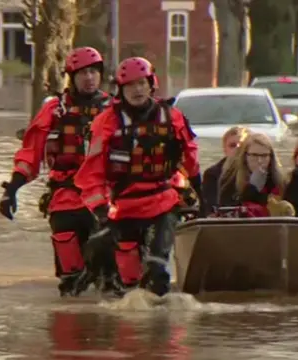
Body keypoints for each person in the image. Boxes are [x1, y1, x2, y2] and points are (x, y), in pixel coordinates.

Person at [73, 56, 201, 297]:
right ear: (121, 90)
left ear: (152, 84)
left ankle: (158, 325)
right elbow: (92, 172)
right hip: (124, 205)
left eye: (142, 83)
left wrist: (200, 192)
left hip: (163, 201)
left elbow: (191, 159)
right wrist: (100, 210)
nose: (137, 90)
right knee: (122, 276)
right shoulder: (106, 122)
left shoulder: (172, 117)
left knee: (157, 269)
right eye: (130, 85)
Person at [0, 46, 113, 296]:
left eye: (94, 71)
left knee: (111, 273)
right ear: (72, 77)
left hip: (105, 197)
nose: (89, 77)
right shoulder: (54, 111)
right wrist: (13, 188)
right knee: (71, 273)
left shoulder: (115, 110)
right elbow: (31, 153)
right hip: (65, 196)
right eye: (83, 73)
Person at [216, 133, 290, 217]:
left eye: (264, 156)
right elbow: (227, 209)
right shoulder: (230, 178)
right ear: (245, 156)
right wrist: (252, 188)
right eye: (254, 155)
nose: (259, 160)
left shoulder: (279, 180)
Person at [201, 126, 250, 216]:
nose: (237, 148)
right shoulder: (212, 174)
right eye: (232, 145)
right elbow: (211, 207)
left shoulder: (257, 172)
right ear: (225, 149)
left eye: (242, 145)